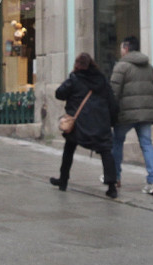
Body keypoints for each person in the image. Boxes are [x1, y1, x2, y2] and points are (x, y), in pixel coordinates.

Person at [51, 53, 119, 198]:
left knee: (69, 149)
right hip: (100, 123)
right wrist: (112, 121)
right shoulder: (101, 79)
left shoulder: (75, 79)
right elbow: (112, 102)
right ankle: (112, 187)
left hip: (79, 124)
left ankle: (63, 180)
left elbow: (59, 94)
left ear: (77, 65)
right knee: (106, 152)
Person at [110, 35, 153, 195]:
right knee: (147, 144)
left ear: (126, 48)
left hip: (125, 115)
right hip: (145, 113)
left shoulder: (121, 66)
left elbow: (114, 92)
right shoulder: (149, 67)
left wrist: (111, 111)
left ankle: (116, 177)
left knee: (117, 142)